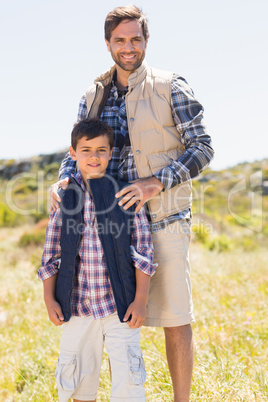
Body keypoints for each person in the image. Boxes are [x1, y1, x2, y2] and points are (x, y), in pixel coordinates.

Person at [50, 5, 214, 401]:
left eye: (135, 39)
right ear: (107, 43)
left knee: (176, 316)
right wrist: (61, 180)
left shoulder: (171, 85)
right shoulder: (92, 93)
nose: (128, 47)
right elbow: (77, 149)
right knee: (115, 315)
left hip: (163, 216)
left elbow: (203, 147)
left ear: (146, 41)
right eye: (120, 40)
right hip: (105, 224)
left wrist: (156, 183)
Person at [39, 118, 156, 402]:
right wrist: (49, 299)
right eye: (86, 149)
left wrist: (140, 300)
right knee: (78, 382)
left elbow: (143, 253)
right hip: (77, 306)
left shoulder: (125, 194)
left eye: (101, 150)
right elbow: (51, 255)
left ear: (111, 153)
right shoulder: (65, 197)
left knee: (128, 384)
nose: (94, 156)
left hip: (121, 308)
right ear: (73, 152)